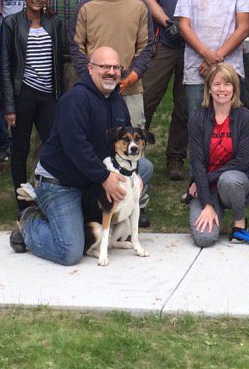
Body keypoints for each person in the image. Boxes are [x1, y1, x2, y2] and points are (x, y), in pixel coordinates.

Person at [10, 47, 153, 265]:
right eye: (104, 67)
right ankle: (30, 222)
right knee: (70, 252)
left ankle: (113, 217)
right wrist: (105, 177)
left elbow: (115, 147)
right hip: (60, 182)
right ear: (90, 68)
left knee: (143, 168)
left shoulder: (117, 101)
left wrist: (124, 174)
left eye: (116, 67)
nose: (111, 72)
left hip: (89, 179)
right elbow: (76, 147)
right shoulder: (75, 99)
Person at [143, 0, 207, 180]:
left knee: (184, 104)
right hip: (166, 41)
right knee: (147, 96)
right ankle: (136, 146)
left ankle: (176, 158)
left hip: (193, 46)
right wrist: (168, 22)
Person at [0, 0, 66, 217]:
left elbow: (58, 61)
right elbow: (6, 66)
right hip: (23, 94)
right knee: (20, 148)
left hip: (49, 95)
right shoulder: (11, 23)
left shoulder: (54, 23)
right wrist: (9, 107)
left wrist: (60, 95)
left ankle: (47, 196)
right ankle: (22, 202)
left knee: (51, 147)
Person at [70, 0, 154, 131]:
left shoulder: (139, 6)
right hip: (94, 90)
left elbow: (146, 48)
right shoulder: (85, 7)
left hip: (129, 89)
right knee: (94, 139)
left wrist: (130, 78)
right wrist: (94, 78)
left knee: (132, 143)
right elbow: (76, 48)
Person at [175, 0, 249, 123]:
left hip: (229, 68)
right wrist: (205, 54)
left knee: (228, 123)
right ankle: (198, 154)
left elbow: (243, 29)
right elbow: (184, 25)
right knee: (197, 122)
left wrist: (214, 60)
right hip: (196, 69)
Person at [186, 63, 249, 247]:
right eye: (216, 84)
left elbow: (242, 161)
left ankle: (239, 224)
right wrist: (207, 204)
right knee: (204, 239)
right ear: (209, 89)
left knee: (229, 180)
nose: (222, 89)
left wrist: (205, 178)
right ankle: (212, 208)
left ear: (234, 89)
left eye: (227, 84)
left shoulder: (245, 118)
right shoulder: (198, 119)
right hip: (206, 187)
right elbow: (197, 162)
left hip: (235, 180)